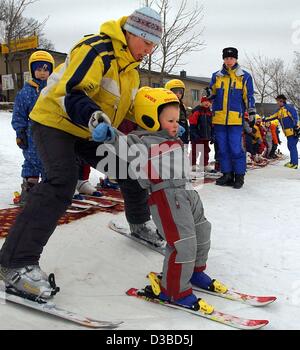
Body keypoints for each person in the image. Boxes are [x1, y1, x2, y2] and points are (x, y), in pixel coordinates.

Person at [0, 7, 163, 299]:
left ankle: (139, 222)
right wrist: (94, 118)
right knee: (61, 181)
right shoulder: (96, 49)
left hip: (89, 130)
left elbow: (125, 115)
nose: (149, 50)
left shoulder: (131, 72)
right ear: (132, 33)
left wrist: (152, 135)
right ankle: (14, 262)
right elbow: (72, 93)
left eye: (154, 45)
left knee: (131, 166)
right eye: (147, 43)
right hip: (54, 121)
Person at [106, 87, 227, 310]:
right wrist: (108, 134)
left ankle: (194, 271)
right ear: (151, 118)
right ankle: (173, 291)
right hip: (167, 197)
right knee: (183, 243)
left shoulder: (173, 138)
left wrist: (172, 129)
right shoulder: (140, 141)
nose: (176, 124)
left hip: (187, 191)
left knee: (202, 231)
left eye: (177, 119)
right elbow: (120, 144)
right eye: (169, 120)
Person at [207, 47, 256, 189]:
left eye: (231, 58)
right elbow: (212, 93)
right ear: (223, 59)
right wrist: (210, 92)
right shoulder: (216, 76)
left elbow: (249, 96)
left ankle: (239, 176)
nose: (229, 61)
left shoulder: (244, 76)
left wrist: (251, 112)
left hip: (235, 119)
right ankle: (227, 174)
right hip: (219, 118)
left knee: (235, 148)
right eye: (226, 58)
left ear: (236, 59)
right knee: (222, 148)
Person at [11, 51, 54, 205]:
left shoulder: (54, 90)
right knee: (31, 161)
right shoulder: (26, 92)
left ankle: (49, 193)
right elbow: (19, 114)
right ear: (32, 70)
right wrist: (20, 132)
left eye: (46, 69)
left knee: (51, 163)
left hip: (52, 132)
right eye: (38, 69)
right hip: (32, 134)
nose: (42, 73)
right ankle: (30, 189)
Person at [264, 94, 299, 169]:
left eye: (278, 101)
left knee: (292, 146)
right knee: (290, 147)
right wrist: (264, 119)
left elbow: (295, 118)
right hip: (287, 133)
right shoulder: (279, 111)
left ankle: (295, 164)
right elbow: (272, 117)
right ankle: (292, 162)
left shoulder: (289, 108)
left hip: (293, 131)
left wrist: (297, 127)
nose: (277, 103)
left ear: (282, 101)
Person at [189, 96, 213, 172]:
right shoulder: (197, 111)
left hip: (206, 136)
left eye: (209, 102)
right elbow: (192, 123)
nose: (207, 103)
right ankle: (193, 164)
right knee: (195, 150)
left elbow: (212, 125)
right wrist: (194, 134)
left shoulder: (210, 113)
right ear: (201, 102)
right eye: (205, 101)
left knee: (206, 151)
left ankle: (204, 164)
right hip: (197, 136)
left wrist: (212, 135)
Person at [165, 79, 189, 144]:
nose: (178, 94)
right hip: (174, 129)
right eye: (175, 92)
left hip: (183, 129)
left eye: (180, 92)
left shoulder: (181, 104)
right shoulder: (168, 105)